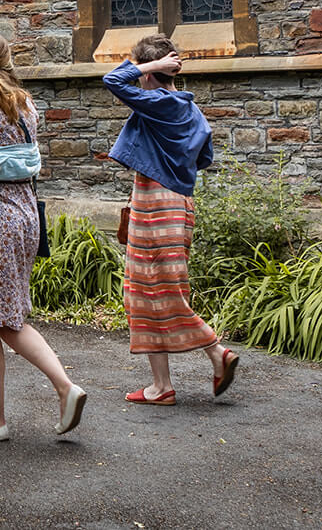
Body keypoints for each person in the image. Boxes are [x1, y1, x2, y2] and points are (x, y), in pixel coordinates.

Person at [0, 30, 86, 441]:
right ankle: (1, 415)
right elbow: (26, 161)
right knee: (1, 314)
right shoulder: (24, 102)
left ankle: (13, 412)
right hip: (26, 214)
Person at [105, 33, 240, 405]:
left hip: (156, 203)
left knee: (158, 289)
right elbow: (203, 157)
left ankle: (216, 352)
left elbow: (113, 80)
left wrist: (149, 66)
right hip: (178, 203)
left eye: (143, 70)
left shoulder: (159, 102)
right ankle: (160, 386)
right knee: (145, 290)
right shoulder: (191, 109)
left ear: (150, 73)